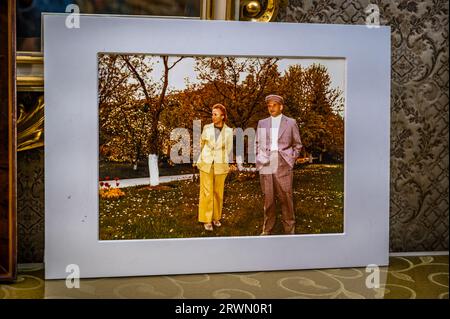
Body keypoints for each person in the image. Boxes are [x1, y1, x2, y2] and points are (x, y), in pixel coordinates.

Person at [256, 94, 302, 235]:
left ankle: (289, 228)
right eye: (269, 106)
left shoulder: (291, 123)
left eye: (274, 105)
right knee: (268, 199)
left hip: (283, 163)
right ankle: (267, 228)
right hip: (266, 163)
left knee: (286, 198)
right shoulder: (262, 123)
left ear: (281, 106)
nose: (271, 108)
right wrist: (260, 158)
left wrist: (291, 161)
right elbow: (257, 143)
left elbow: (297, 144)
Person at [195, 104, 233, 231]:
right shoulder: (207, 128)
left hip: (220, 164)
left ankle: (216, 217)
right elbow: (201, 143)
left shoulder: (229, 131)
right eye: (212, 114)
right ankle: (207, 220)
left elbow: (228, 149)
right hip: (206, 163)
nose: (213, 116)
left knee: (218, 192)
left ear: (222, 116)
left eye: (215, 114)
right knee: (207, 192)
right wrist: (202, 157)